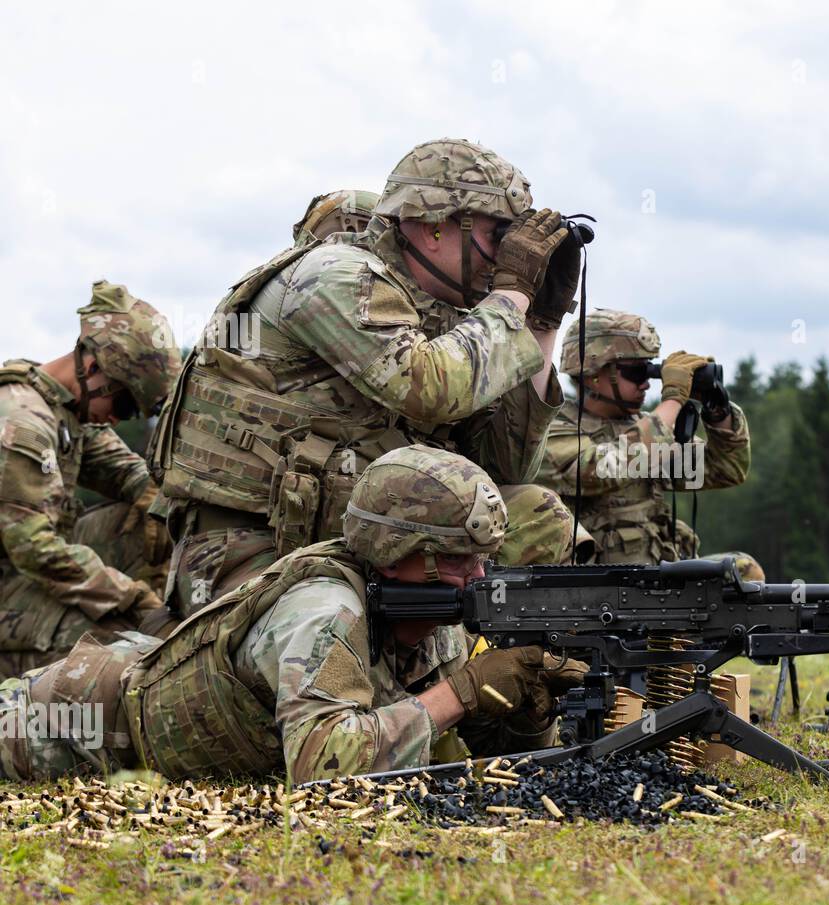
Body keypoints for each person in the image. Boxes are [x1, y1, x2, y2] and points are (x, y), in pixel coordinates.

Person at [149, 138, 582, 619]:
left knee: (534, 513)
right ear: (433, 224)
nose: (509, 257)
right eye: (501, 235)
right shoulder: (333, 275)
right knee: (332, 628)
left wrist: (542, 320)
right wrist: (511, 296)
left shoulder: (439, 317)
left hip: (372, 538)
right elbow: (430, 390)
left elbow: (507, 468)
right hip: (257, 546)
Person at [0, 446, 586, 784]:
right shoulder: (326, 610)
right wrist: (461, 692)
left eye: (483, 558)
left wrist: (529, 708)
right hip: (74, 727)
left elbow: (492, 750)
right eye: (460, 558)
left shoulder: (434, 620)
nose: (479, 578)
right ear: (398, 554)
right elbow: (320, 767)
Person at [0, 280, 180, 675]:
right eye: (122, 403)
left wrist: (159, 505)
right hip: (14, 580)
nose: (117, 418)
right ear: (94, 367)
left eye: (131, 414)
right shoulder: (23, 421)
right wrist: (131, 599)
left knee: (147, 519)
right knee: (112, 643)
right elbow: (34, 549)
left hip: (27, 570)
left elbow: (133, 476)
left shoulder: (65, 411)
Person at [537, 308, 764, 580]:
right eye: (636, 372)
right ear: (592, 374)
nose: (646, 384)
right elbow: (601, 470)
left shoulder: (647, 429)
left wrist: (716, 408)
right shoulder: (553, 428)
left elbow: (726, 469)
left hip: (656, 573)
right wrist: (672, 402)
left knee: (742, 572)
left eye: (650, 370)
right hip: (594, 585)